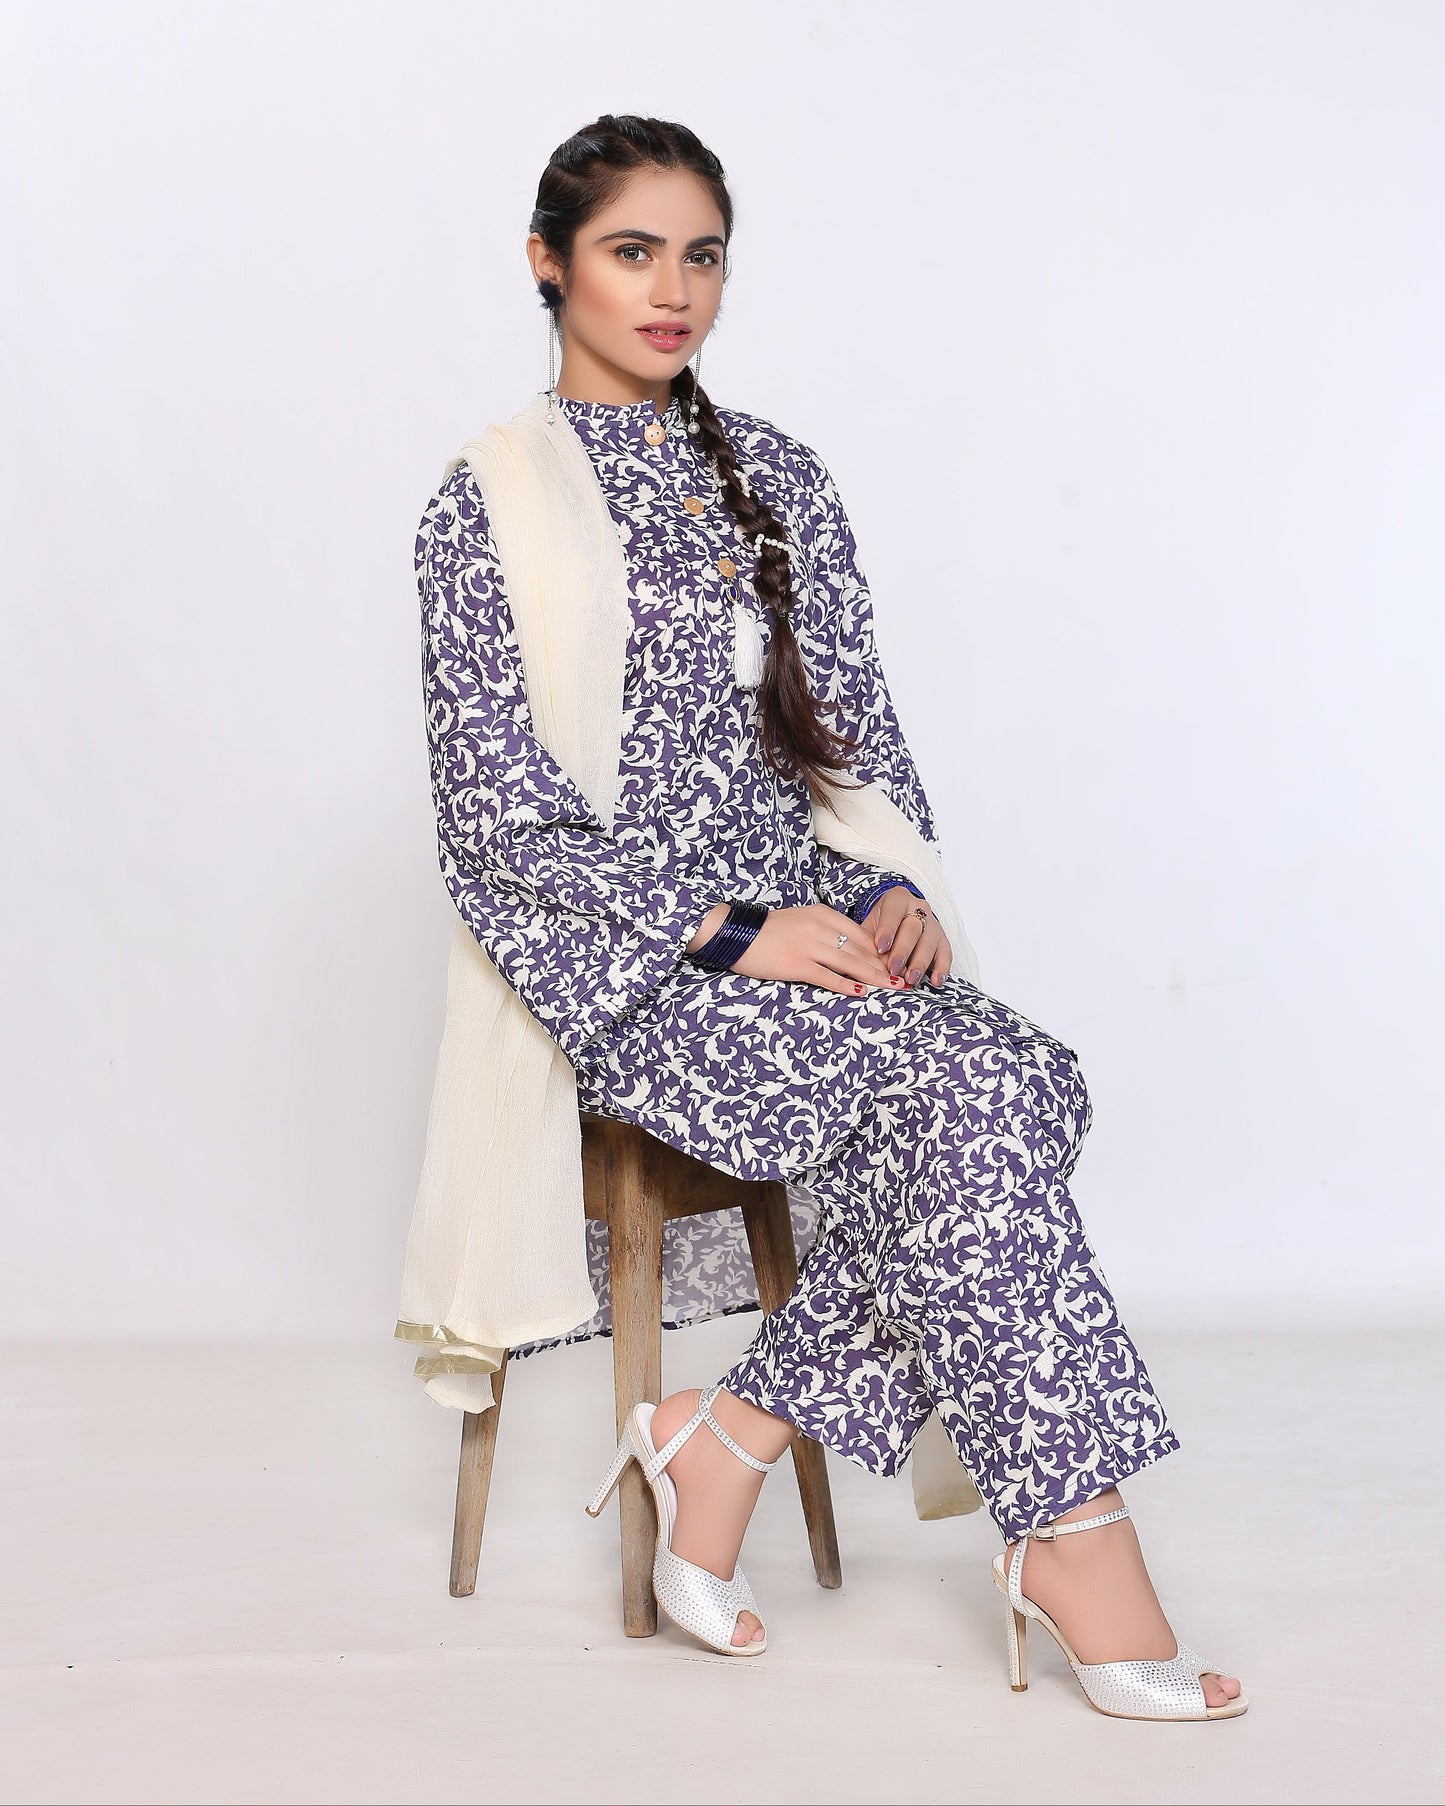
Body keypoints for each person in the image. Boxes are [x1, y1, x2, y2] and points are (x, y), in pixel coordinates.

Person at [413, 112, 1245, 1720]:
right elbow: (492, 823)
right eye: (631, 252)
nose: (674, 292)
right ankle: (1074, 1535)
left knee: (1020, 1077)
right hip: (638, 968)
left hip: (812, 935)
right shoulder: (484, 502)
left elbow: (841, 733)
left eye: (701, 255)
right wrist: (733, 932)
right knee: (978, 1090)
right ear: (548, 262)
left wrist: (876, 887)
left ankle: (718, 1438)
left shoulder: (775, 476)